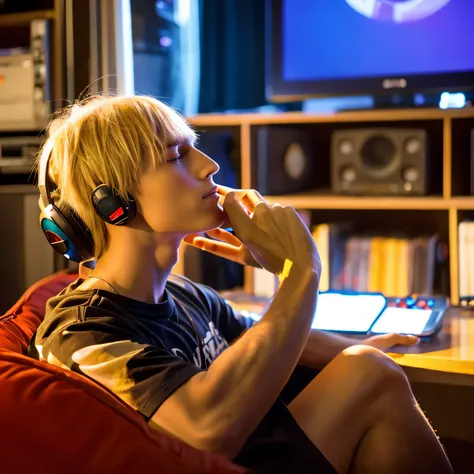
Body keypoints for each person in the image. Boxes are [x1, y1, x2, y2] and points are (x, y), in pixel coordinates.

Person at [29, 95, 453, 474]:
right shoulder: (81, 331)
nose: (209, 165)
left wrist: (361, 348)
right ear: (113, 203)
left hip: (255, 451)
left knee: (370, 369)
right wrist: (300, 274)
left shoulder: (183, 295)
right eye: (176, 156)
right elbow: (206, 430)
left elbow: (271, 339)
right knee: (369, 374)